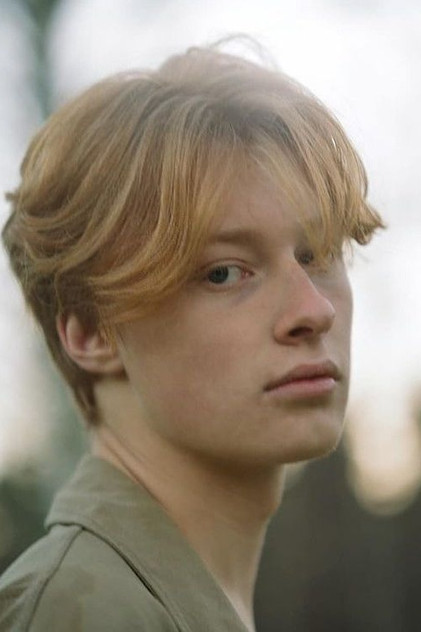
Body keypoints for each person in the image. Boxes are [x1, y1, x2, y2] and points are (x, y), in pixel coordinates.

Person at [0, 41, 384, 631]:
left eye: (316, 254)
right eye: (224, 272)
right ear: (91, 332)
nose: (314, 310)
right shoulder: (79, 612)